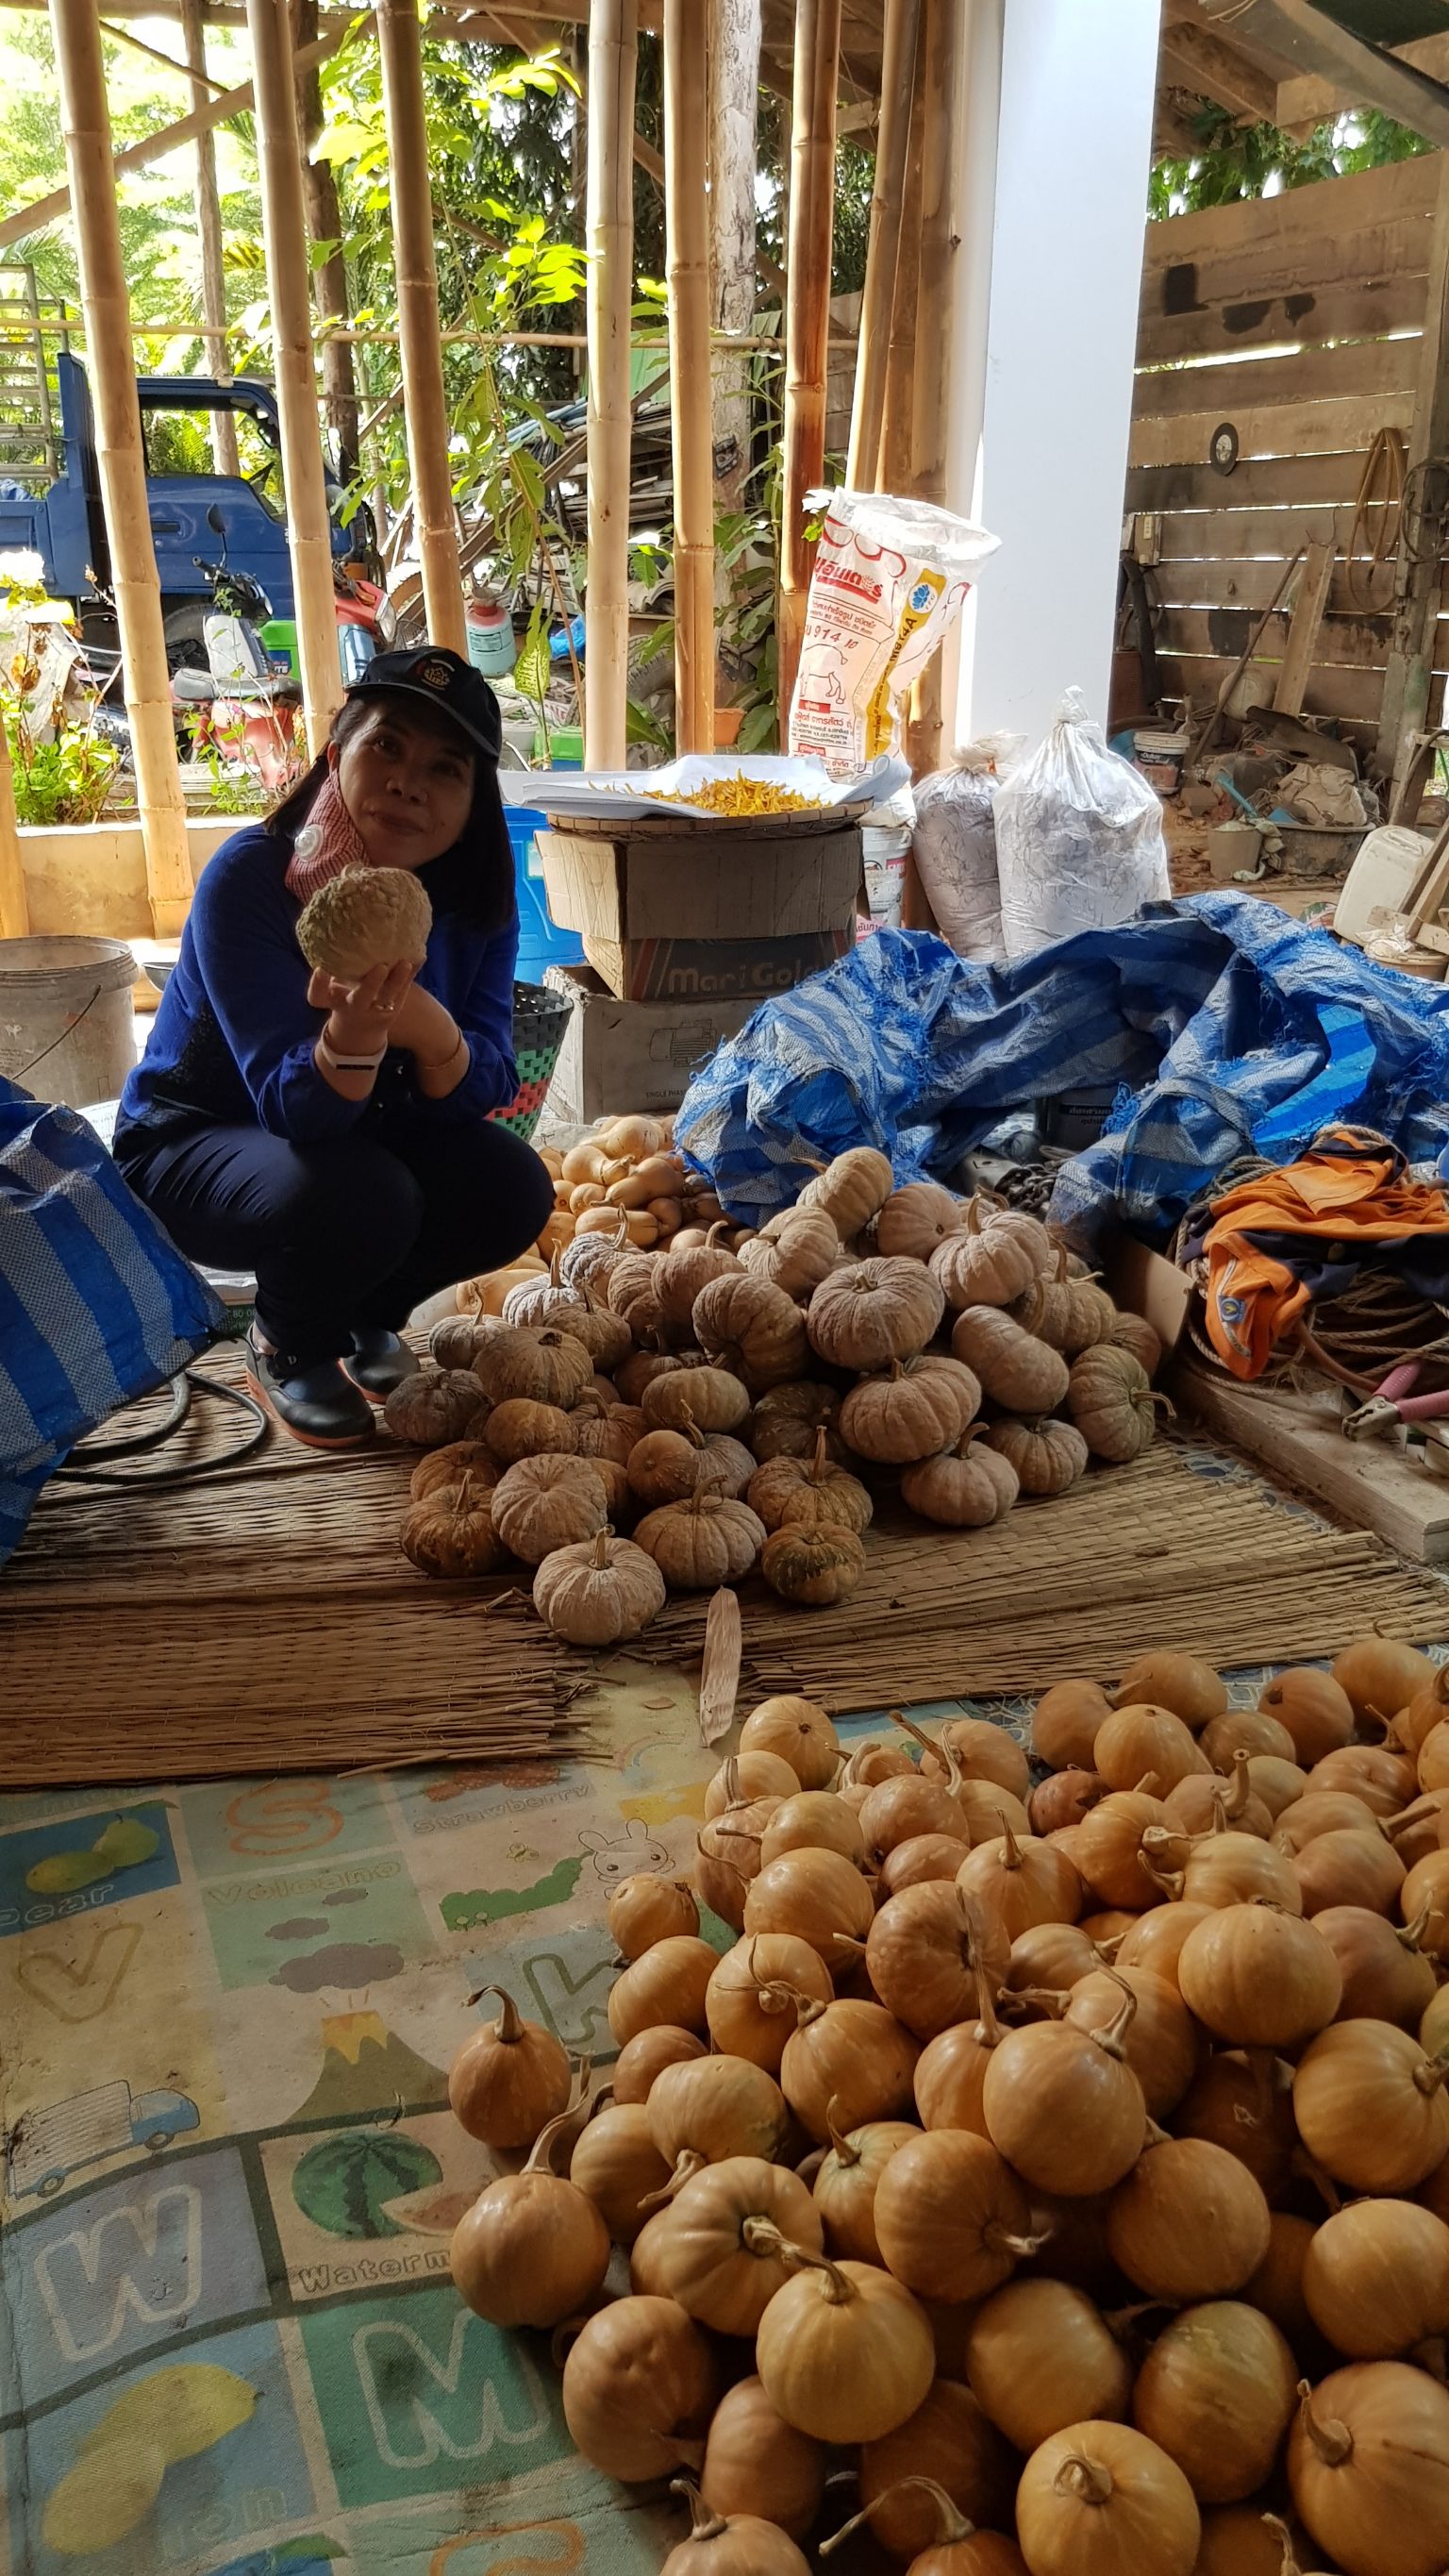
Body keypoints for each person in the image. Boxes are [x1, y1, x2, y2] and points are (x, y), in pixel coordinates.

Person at [113, 646, 554, 1449]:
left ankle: (364, 1314)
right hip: (196, 1145)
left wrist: (428, 1029)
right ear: (334, 753)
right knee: (364, 1193)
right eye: (387, 746)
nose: (409, 783)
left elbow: (489, 1081)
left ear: (473, 802)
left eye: (445, 769)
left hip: (364, 1140)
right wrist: (354, 1034)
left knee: (511, 1186)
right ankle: (287, 1340)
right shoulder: (253, 878)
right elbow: (295, 1111)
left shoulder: (473, 905)